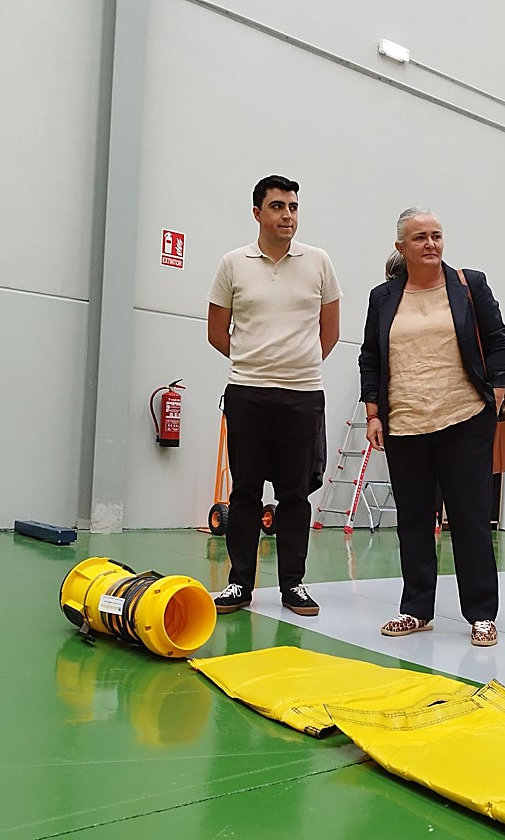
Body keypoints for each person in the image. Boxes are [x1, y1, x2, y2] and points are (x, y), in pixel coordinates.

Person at [359, 208, 505, 646]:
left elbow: (498, 338)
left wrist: (497, 388)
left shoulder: (469, 285)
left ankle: (481, 613)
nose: (430, 244)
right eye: (419, 238)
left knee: (470, 519)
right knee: (413, 521)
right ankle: (416, 609)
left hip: (464, 419)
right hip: (406, 423)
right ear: (401, 247)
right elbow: (370, 357)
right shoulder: (383, 297)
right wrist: (373, 414)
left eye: (436, 235)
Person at [207, 175, 341, 617]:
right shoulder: (232, 263)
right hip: (247, 393)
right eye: (278, 206)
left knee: (295, 495)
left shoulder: (319, 262)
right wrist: (255, 363)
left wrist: (297, 365)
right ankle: (239, 584)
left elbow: (330, 330)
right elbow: (216, 331)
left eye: (293, 207)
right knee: (245, 492)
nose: (288, 215)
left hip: (303, 396)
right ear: (257, 213)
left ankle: (293, 585)